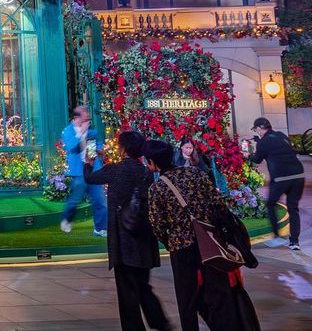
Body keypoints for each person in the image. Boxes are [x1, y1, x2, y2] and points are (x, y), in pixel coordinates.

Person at [144, 139, 258, 331]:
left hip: (182, 249)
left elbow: (157, 225)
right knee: (218, 295)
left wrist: (171, 241)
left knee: (187, 300)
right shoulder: (196, 173)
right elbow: (218, 203)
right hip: (211, 243)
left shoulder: (157, 188)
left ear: (152, 162)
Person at [83, 131, 170, 331]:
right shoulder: (145, 171)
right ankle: (160, 322)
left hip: (123, 239)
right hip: (142, 237)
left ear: (123, 148)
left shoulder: (115, 170)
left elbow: (90, 178)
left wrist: (89, 161)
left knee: (127, 291)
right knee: (143, 286)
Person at [248, 117, 303, 251]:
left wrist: (248, 154)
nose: (257, 133)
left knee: (271, 204)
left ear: (260, 129)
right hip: (298, 175)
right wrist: (260, 142)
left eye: (256, 130)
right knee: (293, 207)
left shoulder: (263, 142)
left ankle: (277, 237)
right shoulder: (282, 135)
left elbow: (257, 159)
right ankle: (294, 242)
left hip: (281, 178)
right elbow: (277, 146)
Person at [59, 106, 108, 236]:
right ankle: (66, 220)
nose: (87, 118)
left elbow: (99, 144)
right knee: (74, 201)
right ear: (76, 118)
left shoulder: (92, 132)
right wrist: (80, 133)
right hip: (79, 173)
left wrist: (100, 150)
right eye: (84, 116)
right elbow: (70, 147)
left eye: (88, 116)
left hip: (93, 171)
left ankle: (100, 228)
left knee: (100, 201)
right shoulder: (68, 131)